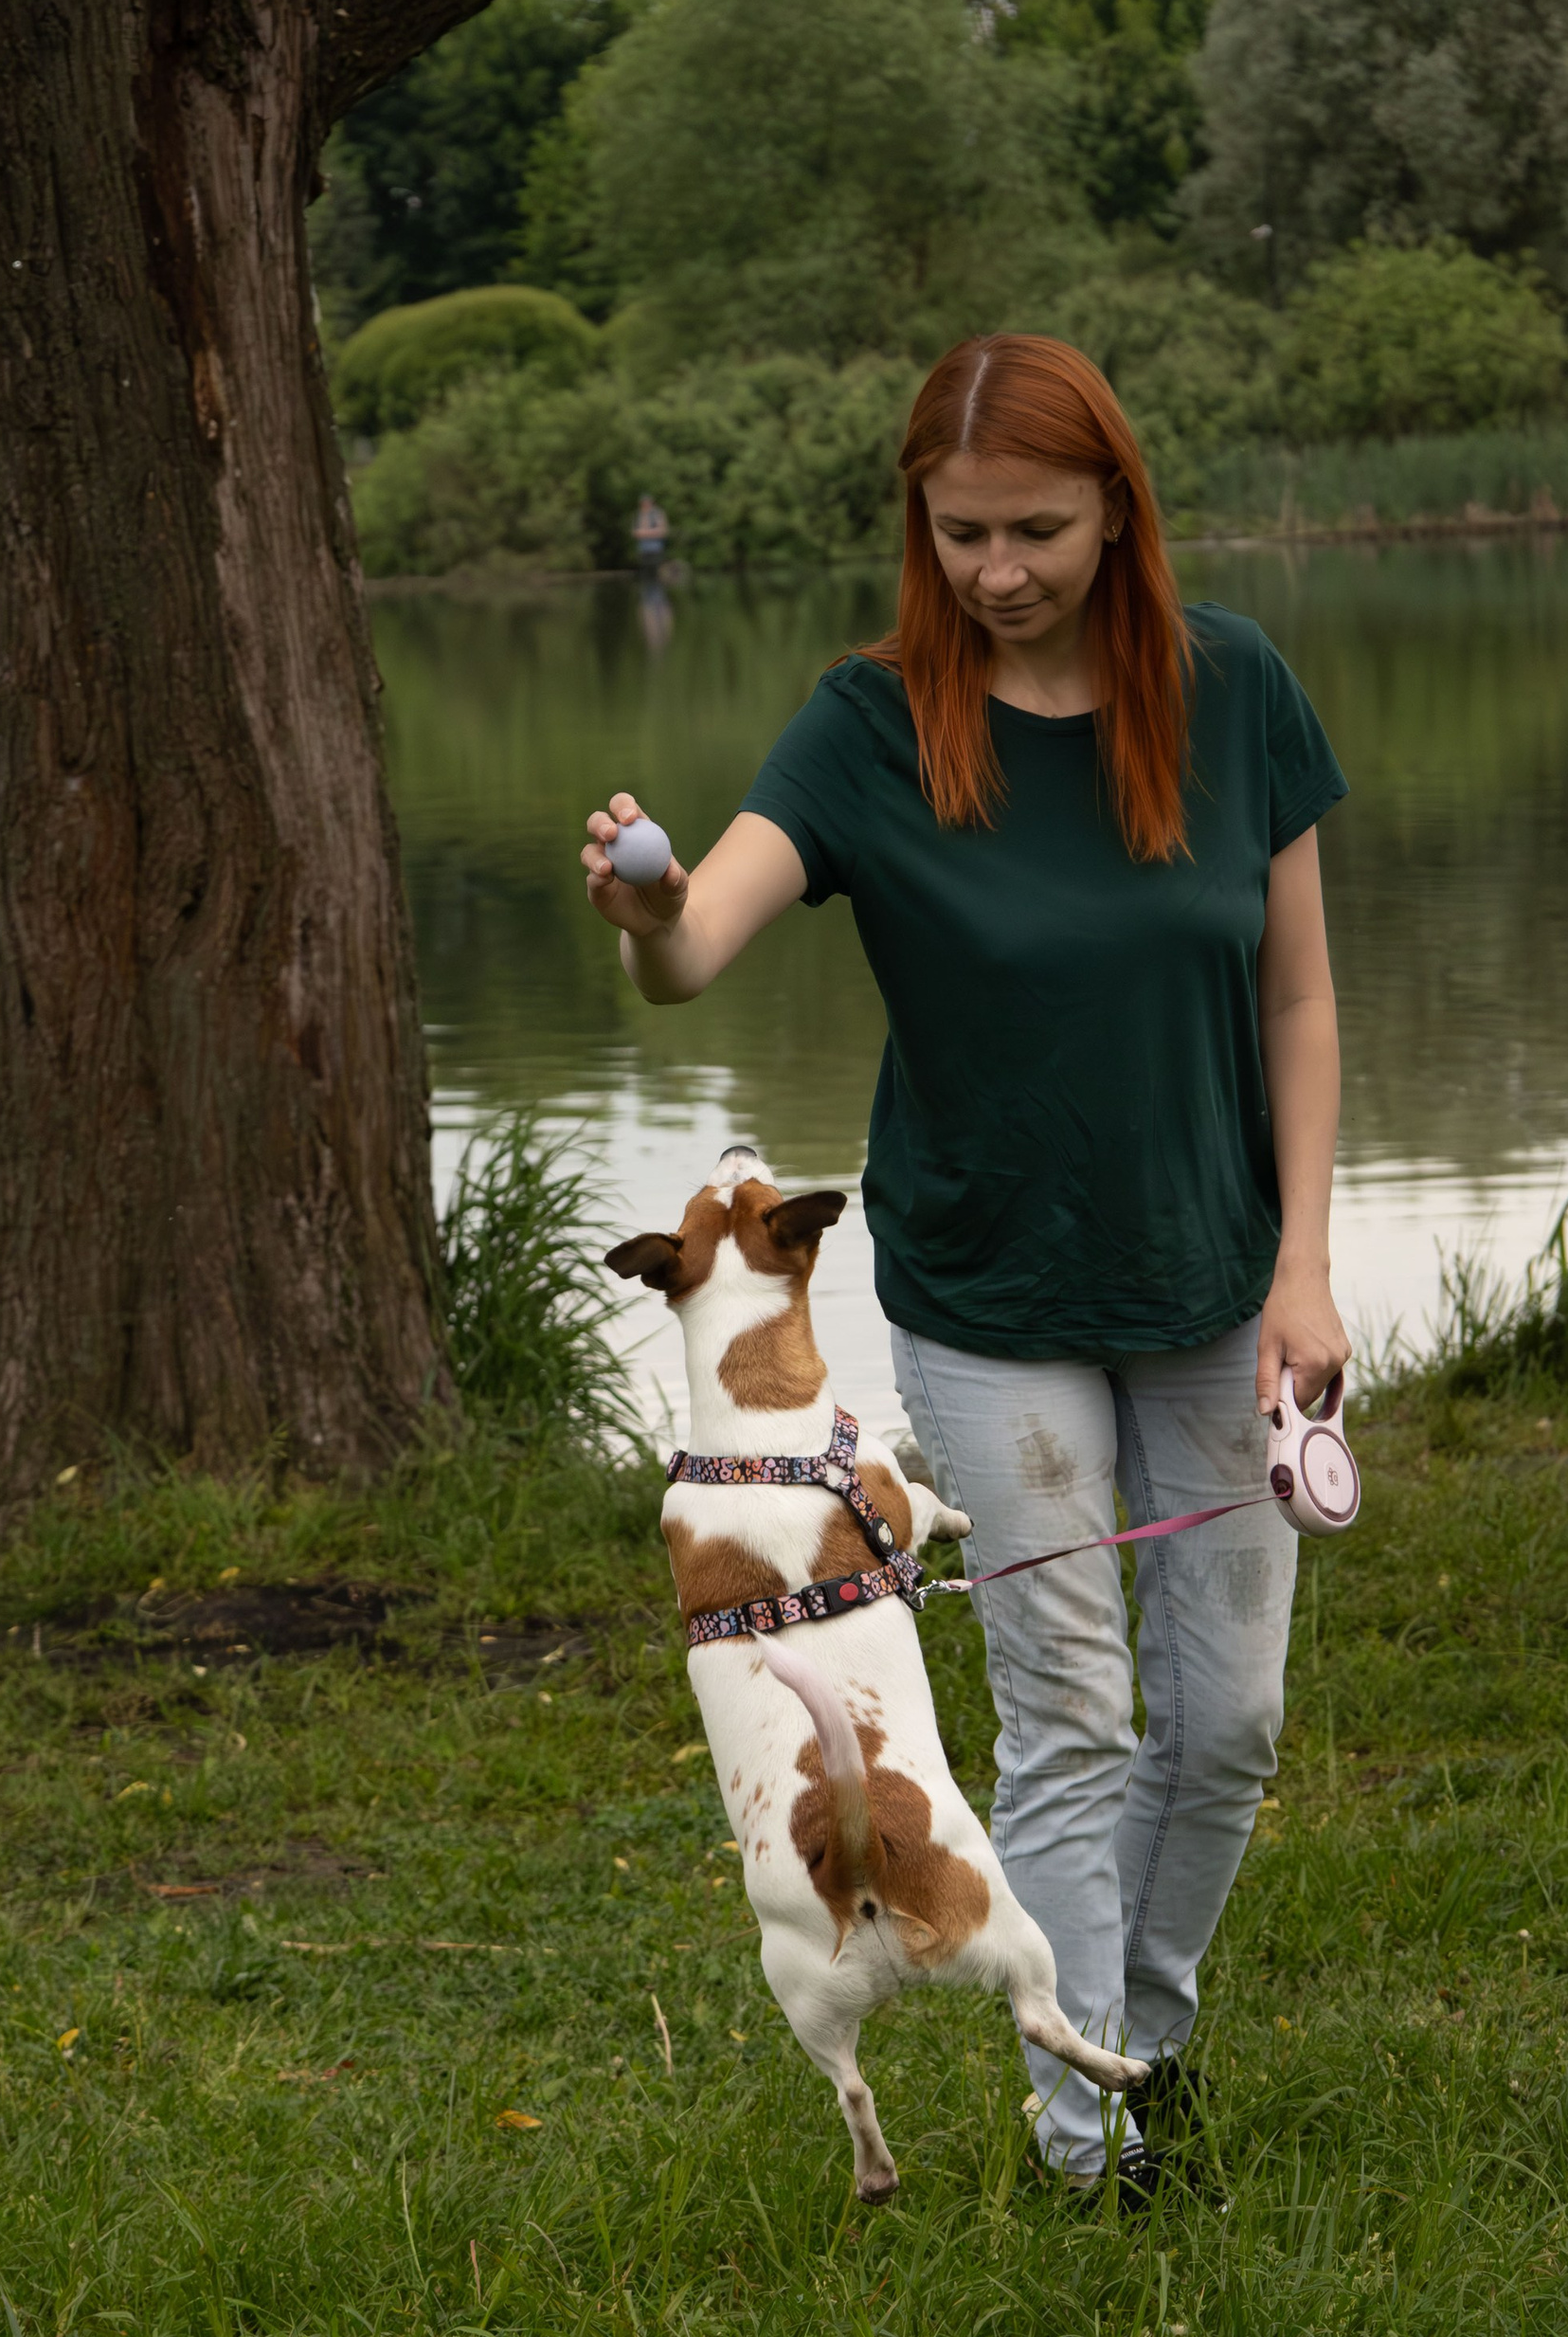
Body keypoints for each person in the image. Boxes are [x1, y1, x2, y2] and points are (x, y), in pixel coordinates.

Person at [578, 333, 1349, 2204]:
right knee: (1074, 1705)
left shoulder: (1231, 687)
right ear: (915, 529)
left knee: (1229, 1716)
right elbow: (697, 952)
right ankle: (1089, 2139)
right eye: (958, 533)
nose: (996, 569)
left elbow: (1298, 990)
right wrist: (653, 909)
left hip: (1213, 1283)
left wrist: (1303, 1266)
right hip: (988, 1303)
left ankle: (1133, 2039)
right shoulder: (865, 726)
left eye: (1035, 529)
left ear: (1116, 513)